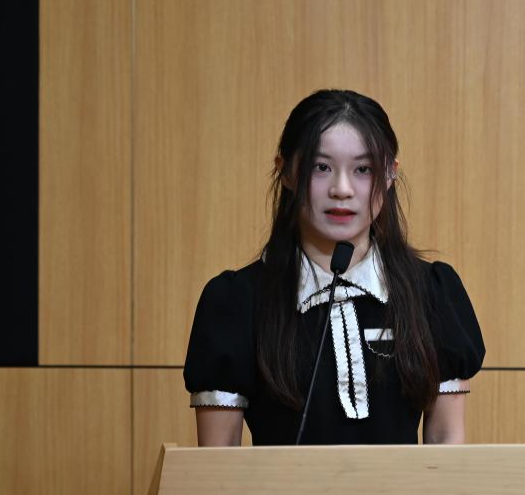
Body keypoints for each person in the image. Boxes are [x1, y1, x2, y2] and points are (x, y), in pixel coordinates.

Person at [183, 89, 484, 446]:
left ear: (390, 174)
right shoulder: (236, 302)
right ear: (286, 172)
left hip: (401, 488)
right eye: (321, 167)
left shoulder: (431, 293)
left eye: (363, 169)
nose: (342, 189)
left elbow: (446, 441)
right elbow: (218, 465)